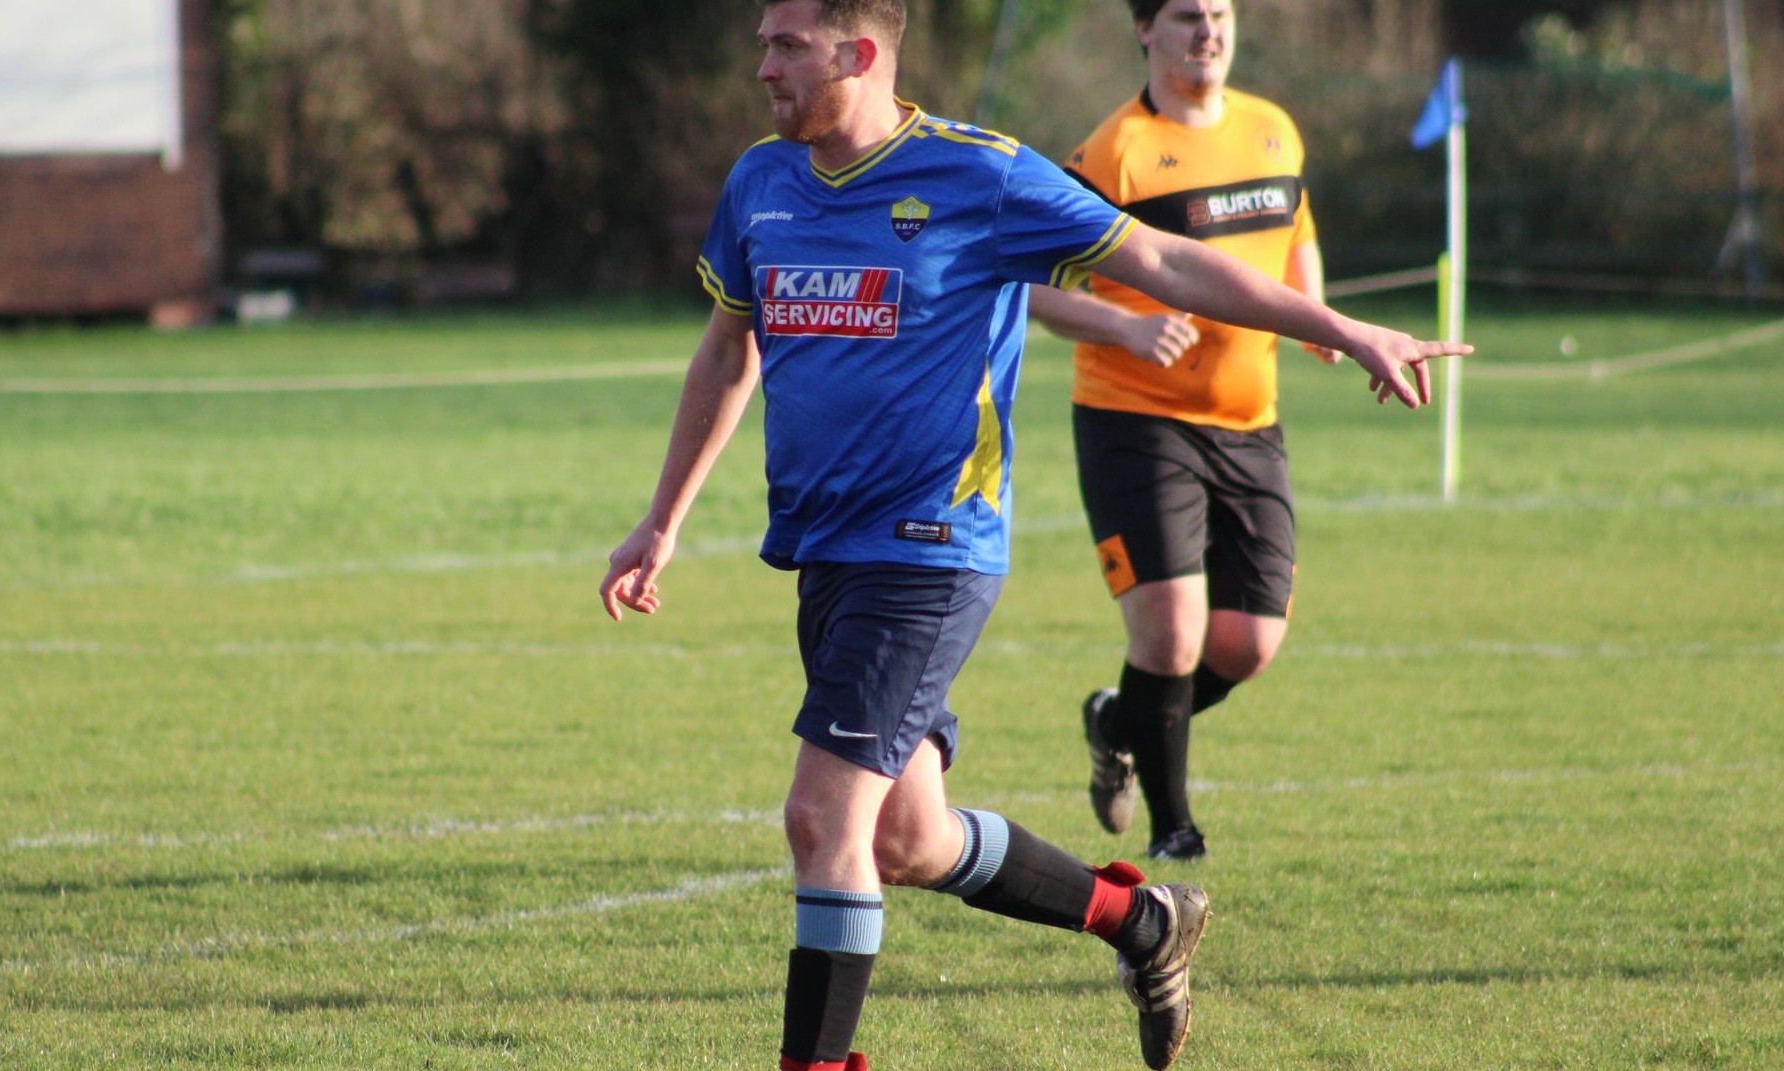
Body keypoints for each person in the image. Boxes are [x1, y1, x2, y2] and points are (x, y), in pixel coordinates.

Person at [599, 1, 1464, 1068]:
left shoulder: (984, 175)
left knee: (821, 822)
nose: (761, 66)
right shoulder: (761, 185)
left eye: (784, 46)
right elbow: (731, 350)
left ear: (858, 53)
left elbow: (1167, 263)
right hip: (825, 552)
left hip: (929, 546)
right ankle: (1146, 924)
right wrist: (662, 521)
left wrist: (1341, 326)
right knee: (907, 838)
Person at [1028, 0, 1338, 862]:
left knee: (1247, 644)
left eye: (1220, 12)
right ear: (1143, 31)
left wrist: (1314, 315)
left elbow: (1295, 235)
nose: (1209, 30)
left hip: (1249, 423)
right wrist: (1122, 326)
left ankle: (1116, 719)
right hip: (1136, 418)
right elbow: (1032, 283)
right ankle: (1175, 835)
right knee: (1169, 633)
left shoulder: (1274, 130)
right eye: (1186, 14)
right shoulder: (1111, 152)